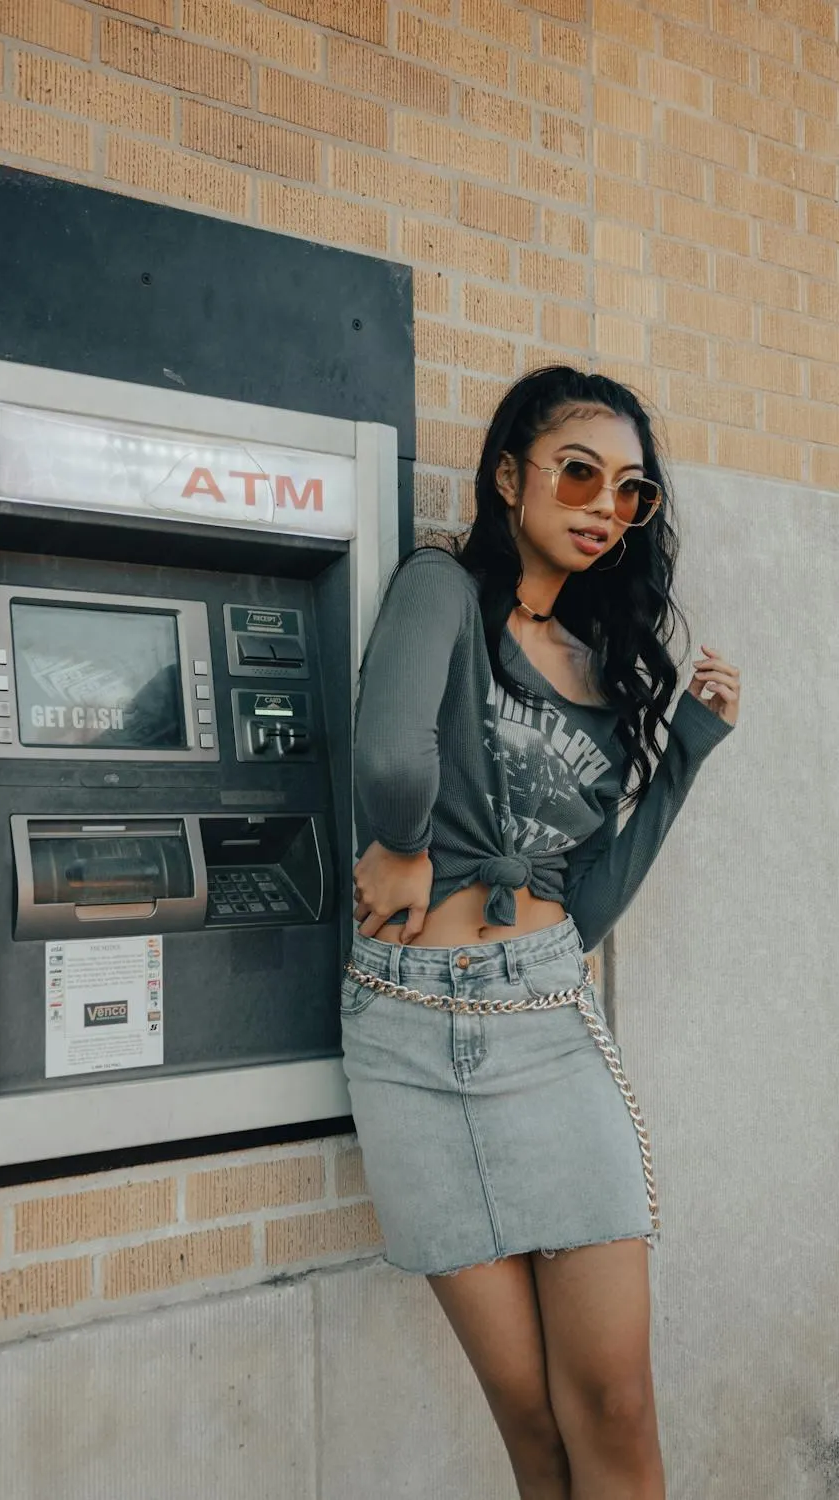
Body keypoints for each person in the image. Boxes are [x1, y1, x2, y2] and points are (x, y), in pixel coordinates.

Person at [341, 366, 739, 1500]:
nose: (604, 506)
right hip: (408, 1041)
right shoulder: (439, 589)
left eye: (631, 493)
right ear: (510, 473)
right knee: (529, 1425)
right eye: (579, 471)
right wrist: (407, 840)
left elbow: (591, 900)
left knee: (611, 1407)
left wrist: (687, 754)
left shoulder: (606, 679)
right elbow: (387, 754)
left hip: (547, 1024)